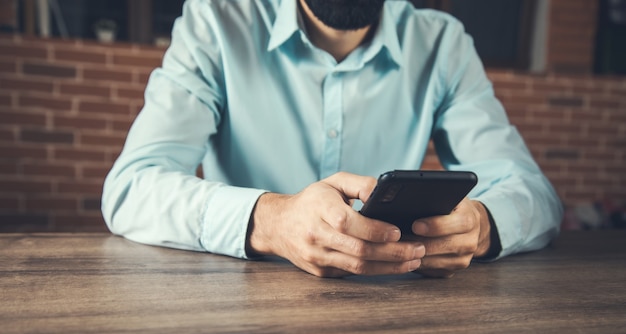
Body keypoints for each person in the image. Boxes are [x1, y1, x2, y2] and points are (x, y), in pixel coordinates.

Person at [102, 0, 563, 278]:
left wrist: (481, 226)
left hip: (395, 317)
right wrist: (272, 221)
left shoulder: (443, 44)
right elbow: (131, 188)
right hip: (238, 313)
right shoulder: (216, 23)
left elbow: (534, 194)